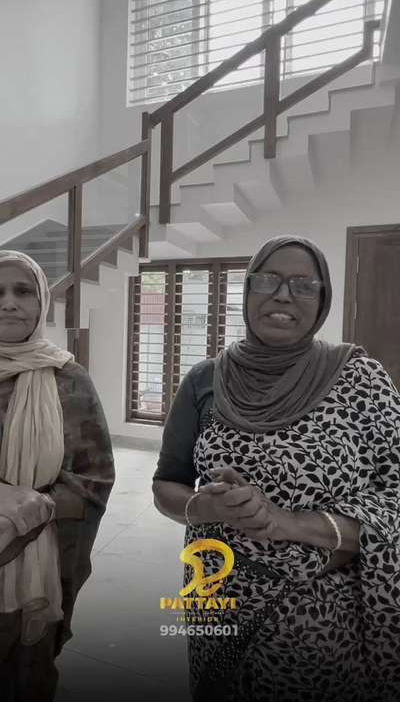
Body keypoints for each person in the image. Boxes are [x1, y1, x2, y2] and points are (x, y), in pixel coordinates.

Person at [152, 235, 400, 702]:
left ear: (322, 300)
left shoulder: (361, 379)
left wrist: (286, 523)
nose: (283, 295)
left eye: (304, 285)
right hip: (216, 591)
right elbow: (166, 484)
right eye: (268, 280)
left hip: (324, 612)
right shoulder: (206, 379)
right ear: (247, 291)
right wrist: (205, 507)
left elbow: (395, 497)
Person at [0, 250, 115, 702]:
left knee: (26, 675)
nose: (9, 302)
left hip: (37, 561)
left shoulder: (68, 379)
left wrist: (26, 513)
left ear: (41, 302)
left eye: (22, 291)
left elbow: (94, 482)